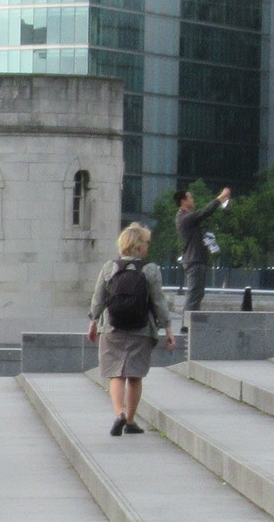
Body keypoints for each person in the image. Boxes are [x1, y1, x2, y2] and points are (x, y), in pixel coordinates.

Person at [89, 222, 177, 437]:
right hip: (141, 329)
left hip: (112, 327)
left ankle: (118, 413)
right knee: (135, 375)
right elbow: (158, 301)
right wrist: (168, 328)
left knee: (116, 374)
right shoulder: (150, 269)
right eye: (146, 243)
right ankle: (130, 420)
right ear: (138, 246)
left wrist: (93, 322)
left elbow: (98, 298)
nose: (148, 246)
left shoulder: (109, 267)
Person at [175, 183, 231, 315]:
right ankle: (188, 323)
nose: (193, 200)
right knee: (194, 294)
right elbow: (204, 212)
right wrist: (221, 197)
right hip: (194, 261)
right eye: (190, 198)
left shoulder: (185, 218)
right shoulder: (185, 218)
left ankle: (190, 322)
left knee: (197, 294)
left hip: (195, 260)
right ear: (183, 201)